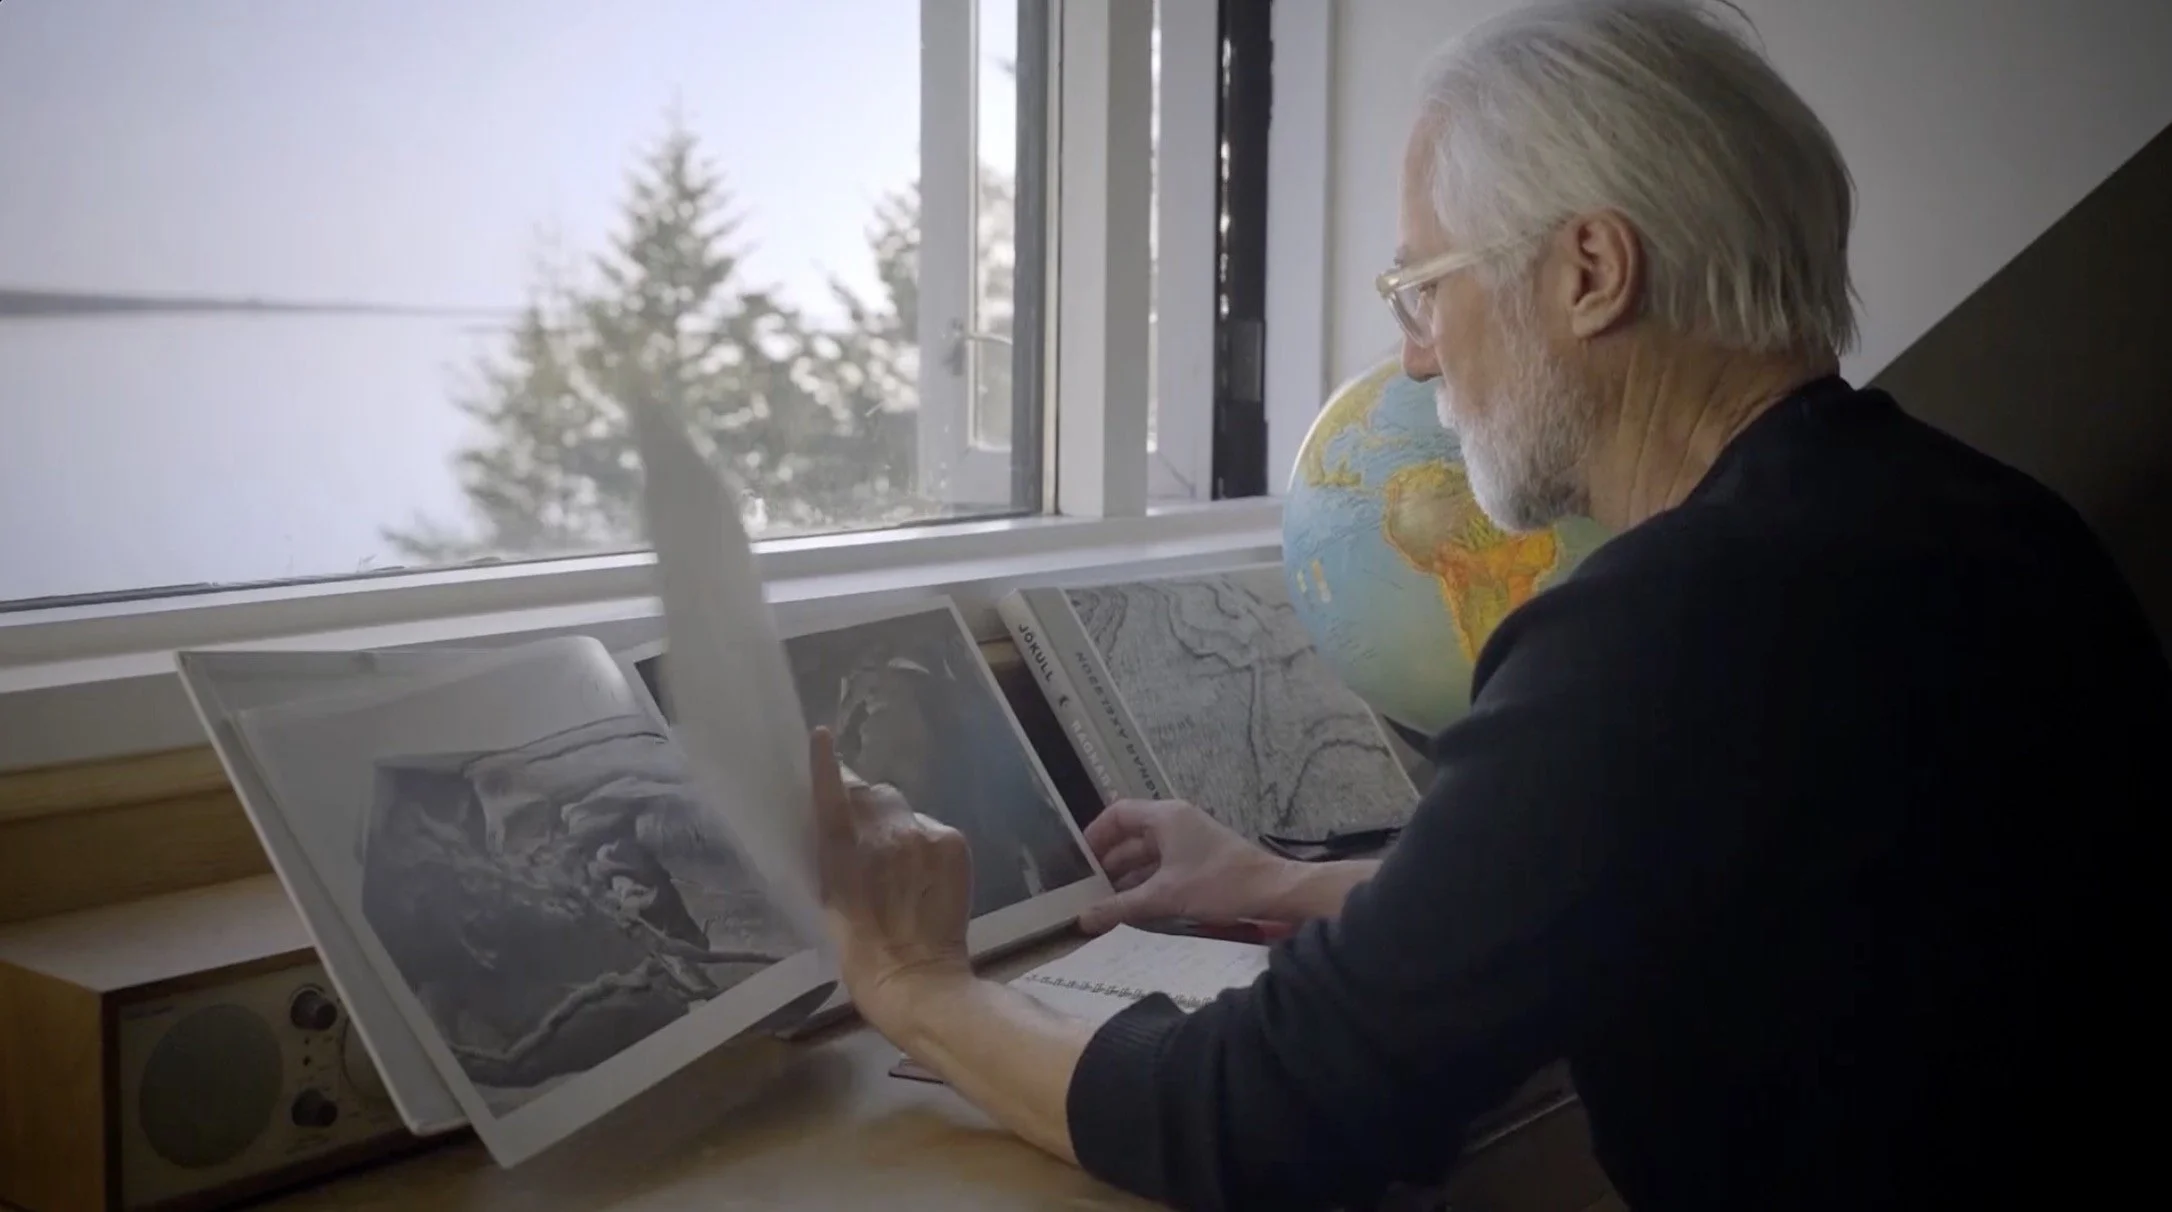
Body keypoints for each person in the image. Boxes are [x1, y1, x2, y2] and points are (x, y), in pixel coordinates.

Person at [803, 1, 2167, 1208]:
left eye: (1422, 288)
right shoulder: (1982, 522)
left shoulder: (1677, 625)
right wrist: (1281, 881)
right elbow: (1657, 882)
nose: (1412, 357)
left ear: (1588, 272)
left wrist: (921, 988)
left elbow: (1263, 1118)